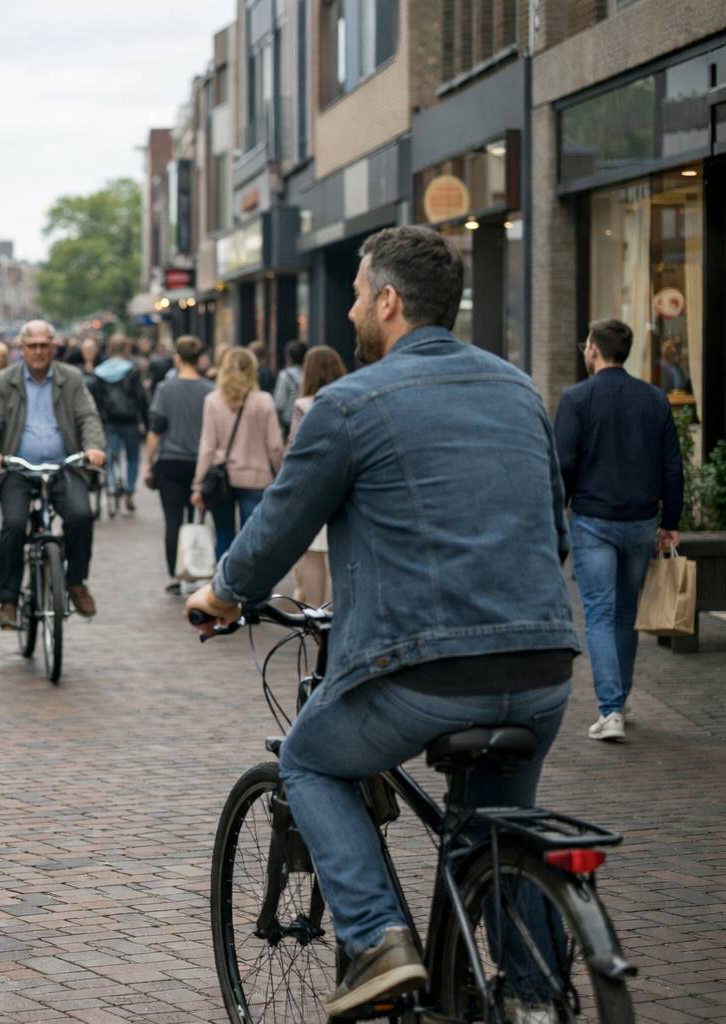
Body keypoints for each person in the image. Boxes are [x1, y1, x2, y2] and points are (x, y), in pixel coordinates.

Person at [186, 225, 580, 1016]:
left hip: (424, 672)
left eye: (359, 294)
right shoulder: (519, 391)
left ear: (390, 301)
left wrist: (222, 593)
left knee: (309, 760)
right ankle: (539, 1004)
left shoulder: (349, 404)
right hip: (542, 668)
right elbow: (555, 533)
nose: (351, 309)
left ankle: (376, 940)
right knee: (495, 830)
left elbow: (276, 530)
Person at [555, 318, 684, 743]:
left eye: (585, 343)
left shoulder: (576, 399)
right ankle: (620, 701)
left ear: (594, 348)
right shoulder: (654, 399)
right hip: (642, 523)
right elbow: (671, 465)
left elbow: (563, 465)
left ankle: (610, 709)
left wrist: (559, 510)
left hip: (593, 522)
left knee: (598, 614)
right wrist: (670, 521)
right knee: (626, 615)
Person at [0, 320, 106, 628]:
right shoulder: (4, 381)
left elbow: (88, 416)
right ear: (21, 349)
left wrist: (93, 447)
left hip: (64, 466)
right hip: (17, 468)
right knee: (13, 524)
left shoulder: (70, 378)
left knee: (81, 516)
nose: (38, 351)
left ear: (53, 347)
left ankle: (75, 581)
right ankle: (8, 601)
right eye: (32, 346)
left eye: (44, 345)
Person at [191, 347, 283, 561]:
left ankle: (224, 580)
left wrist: (198, 484)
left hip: (221, 479)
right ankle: (250, 580)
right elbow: (275, 446)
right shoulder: (264, 400)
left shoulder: (213, 400)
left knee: (223, 535)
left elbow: (207, 447)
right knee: (253, 538)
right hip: (257, 477)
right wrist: (279, 473)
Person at [144, 336, 215, 588]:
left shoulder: (165, 389)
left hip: (170, 462)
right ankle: (196, 567)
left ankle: (175, 574)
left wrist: (148, 463)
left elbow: (155, 430)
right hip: (200, 464)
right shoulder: (210, 390)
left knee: (172, 520)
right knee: (197, 519)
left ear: (177, 358)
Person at [286, 345, 347, 607]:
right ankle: (340, 610)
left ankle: (315, 612)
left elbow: (293, 447)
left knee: (313, 552)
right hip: (346, 482)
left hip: (312, 486)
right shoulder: (349, 400)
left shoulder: (303, 405)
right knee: (342, 550)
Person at [93, 336, 149, 513]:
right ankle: (130, 489)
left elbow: (96, 399)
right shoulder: (131, 370)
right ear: (125, 348)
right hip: (129, 420)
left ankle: (111, 483)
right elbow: (140, 397)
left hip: (108, 421)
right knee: (132, 457)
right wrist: (145, 420)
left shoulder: (99, 371)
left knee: (110, 454)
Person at [273, 340, 308, 435]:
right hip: (307, 416)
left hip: (289, 420)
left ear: (289, 357)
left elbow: (279, 402)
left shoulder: (285, 375)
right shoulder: (309, 373)